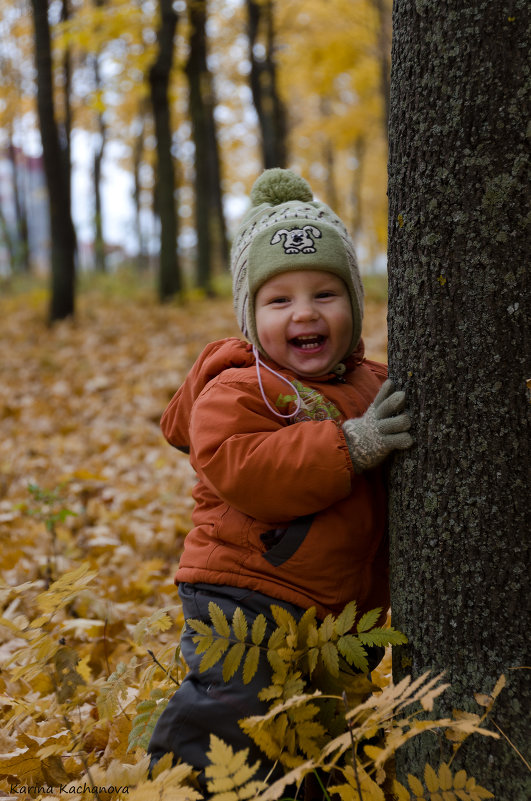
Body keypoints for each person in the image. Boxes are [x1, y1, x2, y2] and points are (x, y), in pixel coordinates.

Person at [147, 168, 412, 788]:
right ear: (250, 316)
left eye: (326, 293)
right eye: (279, 299)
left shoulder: (370, 382)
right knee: (232, 712)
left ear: (354, 302)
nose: (305, 313)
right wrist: (351, 445)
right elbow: (247, 469)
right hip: (245, 591)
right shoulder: (242, 387)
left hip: (335, 612)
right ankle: (180, 785)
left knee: (316, 731)